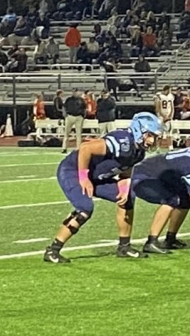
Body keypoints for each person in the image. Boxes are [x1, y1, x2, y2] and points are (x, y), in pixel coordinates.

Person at [43, 112, 163, 263]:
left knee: (129, 197)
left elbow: (125, 169)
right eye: (150, 135)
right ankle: (53, 249)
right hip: (73, 170)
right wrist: (83, 177)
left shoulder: (138, 151)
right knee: (85, 208)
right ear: (140, 130)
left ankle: (124, 246)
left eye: (155, 137)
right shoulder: (122, 141)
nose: (152, 141)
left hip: (96, 176)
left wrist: (124, 188)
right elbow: (86, 148)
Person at [61, 89, 86, 154]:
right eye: (74, 92)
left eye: (76, 92)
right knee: (66, 133)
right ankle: (64, 148)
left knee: (78, 134)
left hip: (78, 117)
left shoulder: (81, 100)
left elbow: (84, 108)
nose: (74, 93)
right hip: (70, 116)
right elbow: (64, 107)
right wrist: (65, 114)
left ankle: (78, 148)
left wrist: (83, 116)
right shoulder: (68, 99)